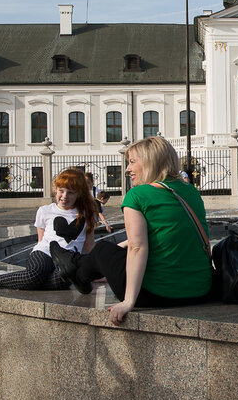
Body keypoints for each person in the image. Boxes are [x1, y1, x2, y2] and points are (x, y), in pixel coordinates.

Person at [50, 136, 212, 325]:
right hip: (201, 292)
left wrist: (128, 302)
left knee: (103, 249)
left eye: (133, 162)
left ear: (151, 162)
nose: (127, 169)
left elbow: (138, 247)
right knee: (113, 250)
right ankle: (77, 267)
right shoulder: (190, 191)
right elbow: (167, 235)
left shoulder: (138, 195)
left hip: (155, 295)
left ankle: (77, 272)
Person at [0, 169, 98, 290]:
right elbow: (41, 241)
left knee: (62, 283)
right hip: (45, 252)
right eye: (61, 191)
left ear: (79, 194)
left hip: (69, 260)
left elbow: (89, 245)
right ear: (56, 190)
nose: (64, 196)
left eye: (70, 192)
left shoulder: (87, 214)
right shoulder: (45, 210)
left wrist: (97, 272)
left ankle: (10, 278)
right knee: (34, 275)